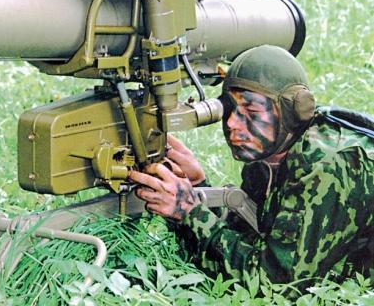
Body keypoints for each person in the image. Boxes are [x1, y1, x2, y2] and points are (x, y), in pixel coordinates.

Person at [129, 45, 374, 286]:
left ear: (292, 113)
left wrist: (189, 212)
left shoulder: (326, 166)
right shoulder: (268, 159)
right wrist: (198, 188)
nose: (232, 123)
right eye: (229, 109)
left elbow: (276, 284)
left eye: (252, 111)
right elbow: (250, 240)